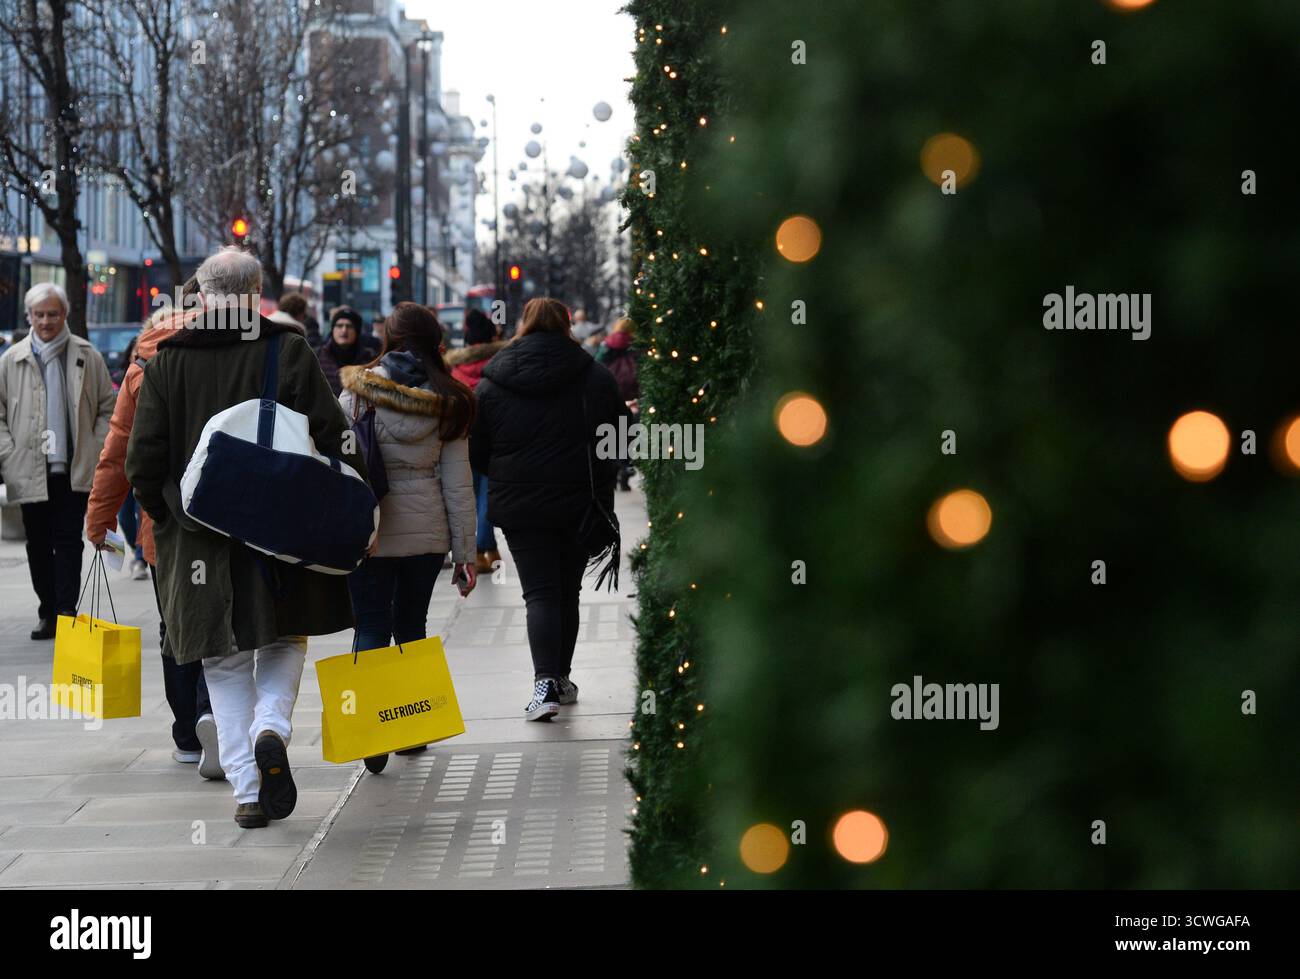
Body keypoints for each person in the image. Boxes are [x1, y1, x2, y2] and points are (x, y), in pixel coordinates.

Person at [126, 247, 365, 829]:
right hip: (278, 531)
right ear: (256, 294)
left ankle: (246, 792)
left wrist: (171, 519)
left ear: (202, 297)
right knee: (284, 639)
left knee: (223, 663)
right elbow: (334, 436)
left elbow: (142, 462)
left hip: (198, 544)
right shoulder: (288, 352)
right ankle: (272, 729)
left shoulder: (165, 363)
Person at [87, 293, 223, 779]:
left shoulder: (142, 367)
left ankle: (187, 734)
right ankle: (216, 714)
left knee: (175, 626)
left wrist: (99, 517)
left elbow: (119, 449)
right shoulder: (225, 354)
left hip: (162, 522)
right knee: (223, 621)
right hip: (226, 513)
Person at [470, 298, 626, 720]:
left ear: (523, 324)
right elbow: (618, 441)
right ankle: (560, 677)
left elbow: (478, 452)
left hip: (522, 509)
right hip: (579, 503)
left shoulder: (493, 382)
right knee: (567, 592)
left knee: (539, 593)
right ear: (566, 325)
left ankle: (544, 687)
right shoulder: (595, 376)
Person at [339, 302, 477, 773]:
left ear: (389, 338)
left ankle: (373, 731)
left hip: (369, 529)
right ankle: (411, 731)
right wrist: (466, 553)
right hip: (428, 532)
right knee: (413, 627)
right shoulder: (450, 398)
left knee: (371, 625)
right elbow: (459, 483)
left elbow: (342, 461)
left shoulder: (359, 392)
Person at [0, 283, 116, 640]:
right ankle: (47, 609)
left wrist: (96, 449)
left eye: (53, 314)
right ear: (29, 317)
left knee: (68, 539)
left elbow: (106, 408)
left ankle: (66, 611)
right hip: (27, 465)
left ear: (64, 314)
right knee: (36, 542)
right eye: (39, 315)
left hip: (73, 466)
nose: (46, 321)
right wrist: (8, 451)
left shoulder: (86, 355)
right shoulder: (11, 359)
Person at [447, 308, 506, 573]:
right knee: (487, 495)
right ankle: (484, 547)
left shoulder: (455, 368)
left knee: (469, 497)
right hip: (494, 438)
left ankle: (485, 549)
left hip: (464, 437)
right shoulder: (500, 363)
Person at [596, 318, 641, 491]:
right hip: (631, 393)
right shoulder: (635, 343)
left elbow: (598, 363)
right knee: (628, 432)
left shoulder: (607, 343)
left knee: (610, 432)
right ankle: (625, 467)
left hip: (611, 391)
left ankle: (613, 467)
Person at [317, 306, 366, 396]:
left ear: (357, 331)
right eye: (339, 326)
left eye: (349, 326)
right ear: (333, 329)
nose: (344, 330)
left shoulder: (369, 358)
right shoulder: (317, 355)